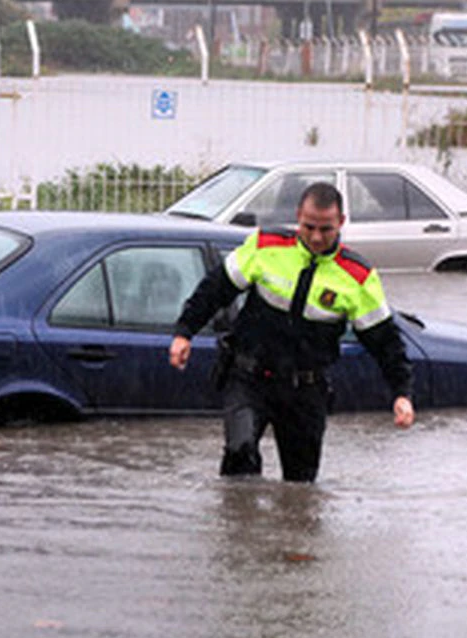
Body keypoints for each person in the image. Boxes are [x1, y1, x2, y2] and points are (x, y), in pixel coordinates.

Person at [168, 182, 414, 483]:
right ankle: (238, 527)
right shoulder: (265, 245)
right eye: (309, 226)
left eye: (326, 229)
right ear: (298, 216)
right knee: (239, 455)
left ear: (341, 223)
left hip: (306, 392)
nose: (316, 237)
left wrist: (402, 393)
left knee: (301, 488)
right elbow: (216, 288)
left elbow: (384, 341)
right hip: (249, 378)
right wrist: (184, 332)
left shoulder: (357, 276)